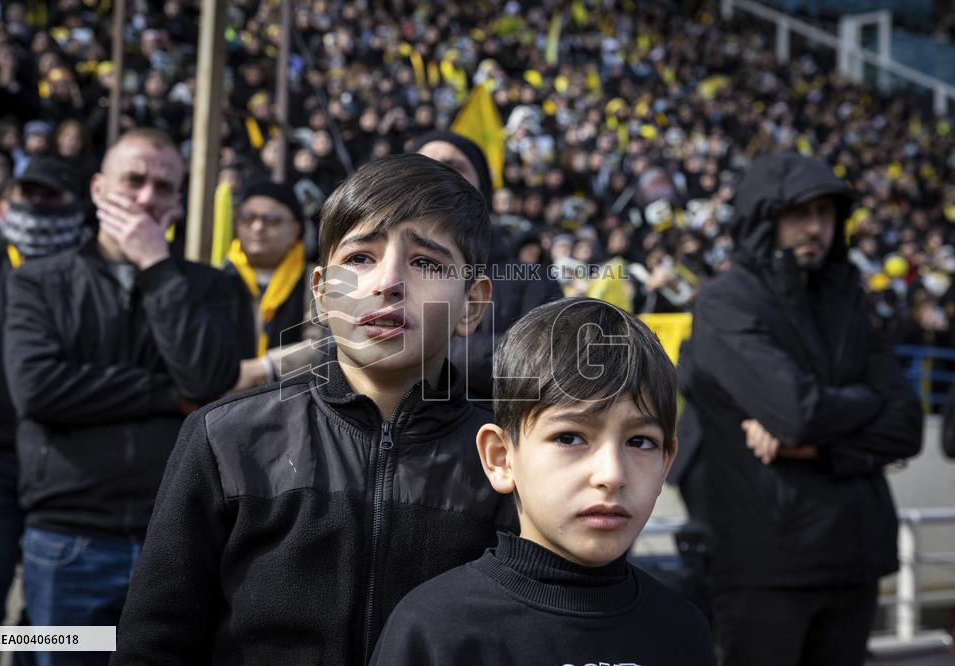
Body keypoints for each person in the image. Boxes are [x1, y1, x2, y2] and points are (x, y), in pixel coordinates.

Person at [112, 154, 517, 664]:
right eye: (360, 258)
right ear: (322, 294)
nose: (387, 283)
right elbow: (155, 641)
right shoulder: (226, 437)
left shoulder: (506, 460)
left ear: (473, 306)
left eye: (427, 262)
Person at [2, 128, 240, 665]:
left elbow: (205, 383)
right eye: (132, 181)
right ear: (97, 188)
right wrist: (164, 392)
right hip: (71, 540)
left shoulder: (209, 287)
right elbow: (39, 390)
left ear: (179, 202)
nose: (146, 198)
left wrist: (157, 267)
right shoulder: (38, 282)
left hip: (177, 542)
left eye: (163, 187)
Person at [675, 152, 923, 666]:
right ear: (765, 217)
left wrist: (816, 448)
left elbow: (907, 425)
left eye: (828, 214)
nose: (816, 227)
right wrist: (865, 403)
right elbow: (798, 412)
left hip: (854, 561)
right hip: (766, 569)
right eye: (800, 213)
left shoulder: (848, 298)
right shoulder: (726, 303)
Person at [370, 297, 715, 665]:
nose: (612, 475)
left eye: (640, 442)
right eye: (569, 437)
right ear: (501, 458)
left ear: (666, 462)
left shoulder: (682, 628)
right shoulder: (437, 630)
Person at [0, 156, 84, 666]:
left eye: (50, 197)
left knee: (51, 613)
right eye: (28, 195)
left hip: (66, 463)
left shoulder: (88, 270)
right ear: (7, 201)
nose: (37, 207)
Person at [411, 130, 562, 398]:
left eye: (453, 167)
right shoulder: (378, 272)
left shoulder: (534, 280)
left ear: (482, 191)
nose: (434, 175)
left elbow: (545, 363)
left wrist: (417, 352)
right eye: (421, 166)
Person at [224, 178, 325, 391]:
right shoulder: (218, 276)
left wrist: (266, 367)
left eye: (271, 219)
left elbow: (327, 342)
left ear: (296, 228)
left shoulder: (317, 280)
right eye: (247, 217)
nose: (258, 227)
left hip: (292, 401)